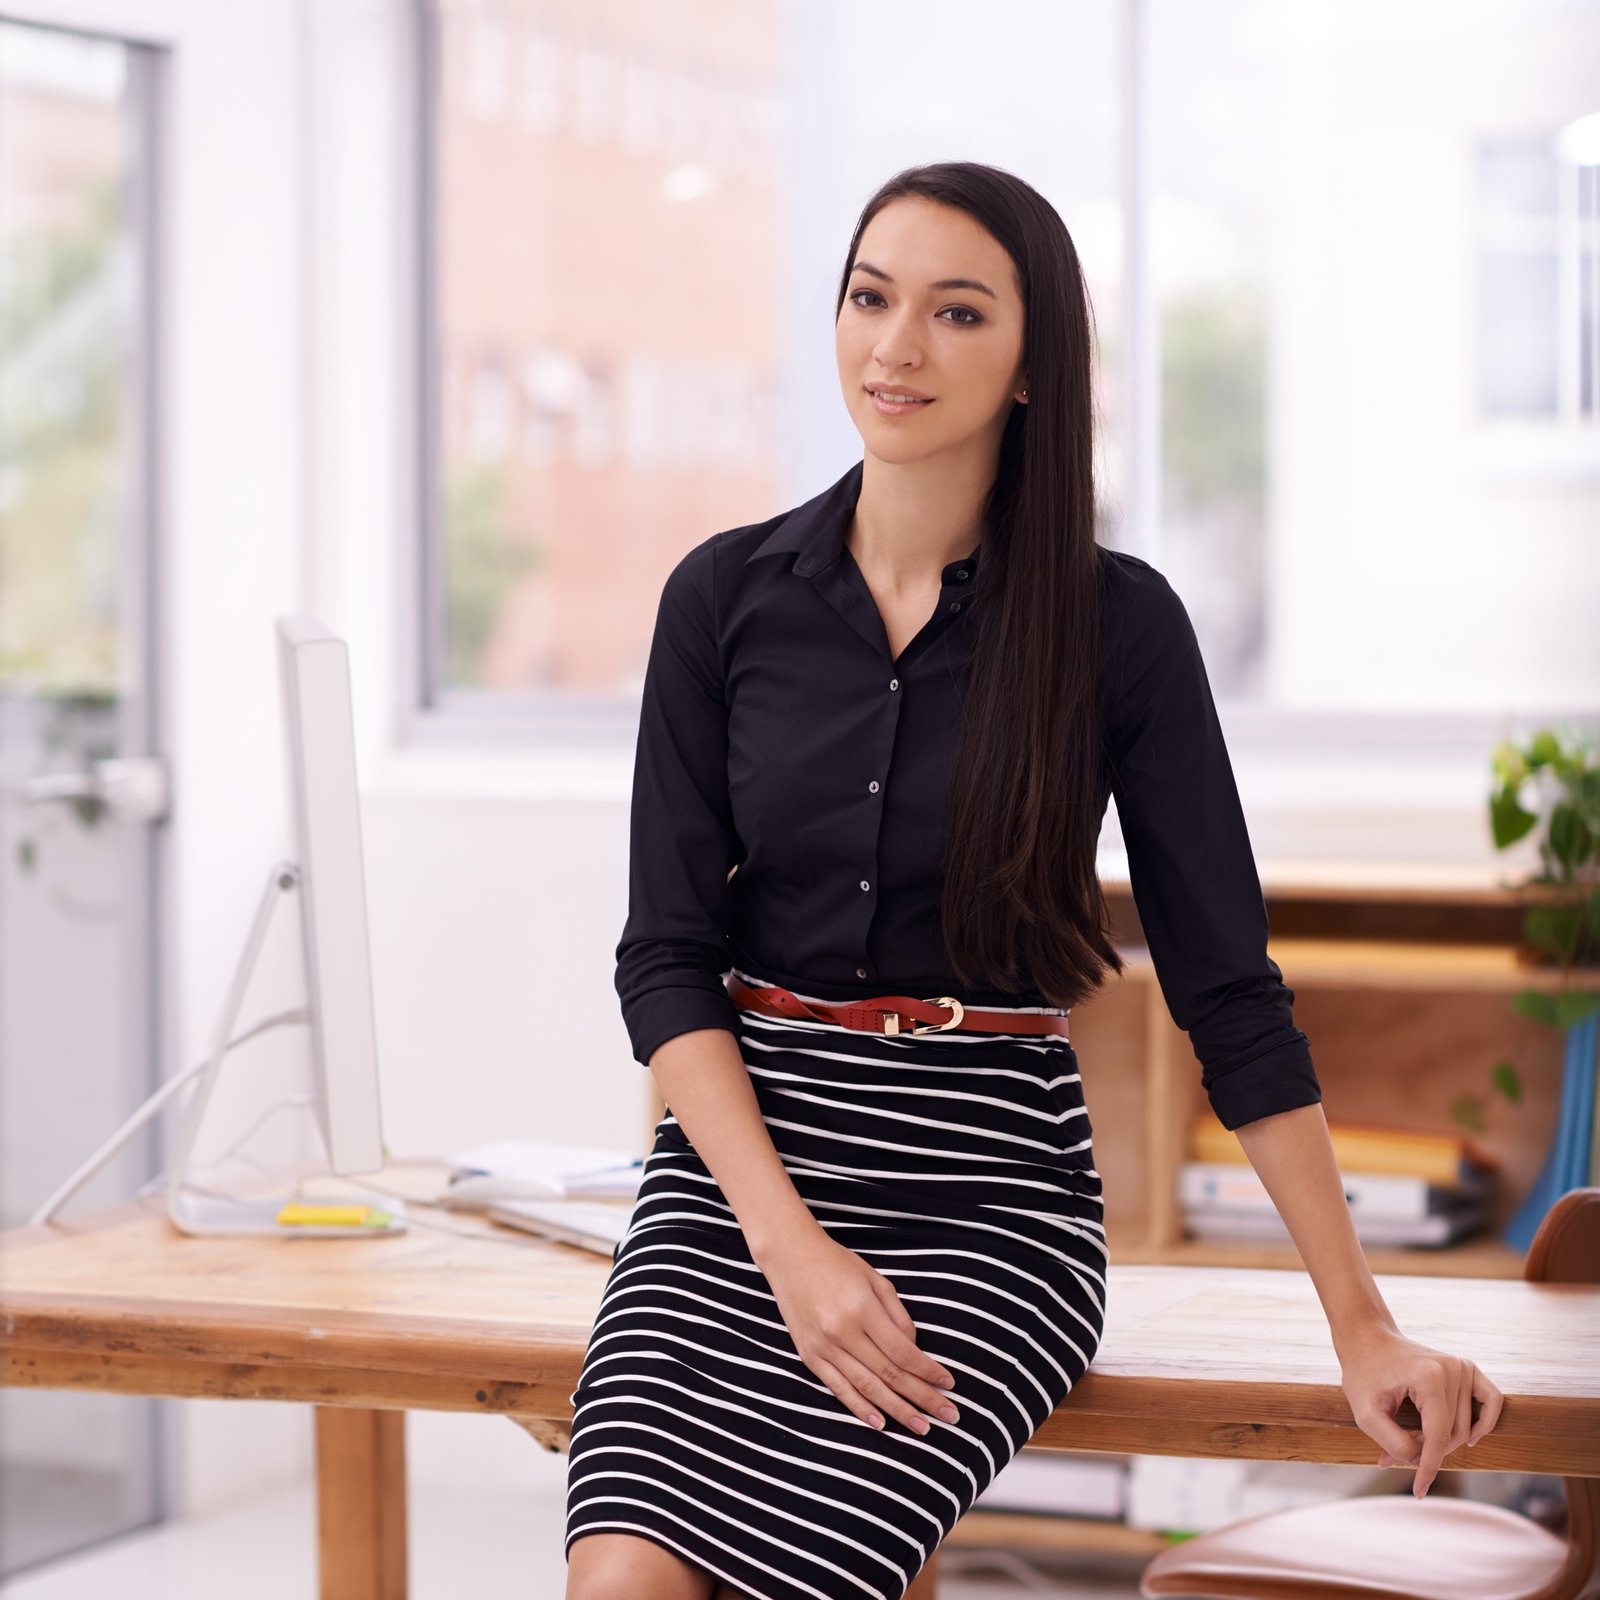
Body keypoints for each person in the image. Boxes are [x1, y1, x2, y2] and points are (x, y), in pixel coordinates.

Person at [563, 161, 1503, 1600]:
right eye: (872, 299)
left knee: (805, 1572)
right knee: (624, 1580)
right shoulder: (720, 599)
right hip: (740, 1185)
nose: (897, 346)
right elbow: (665, 956)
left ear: (1028, 365)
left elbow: (1228, 992)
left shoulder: (1120, 630)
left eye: (956, 313)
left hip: (986, 1195)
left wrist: (1362, 1324)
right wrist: (791, 1248)